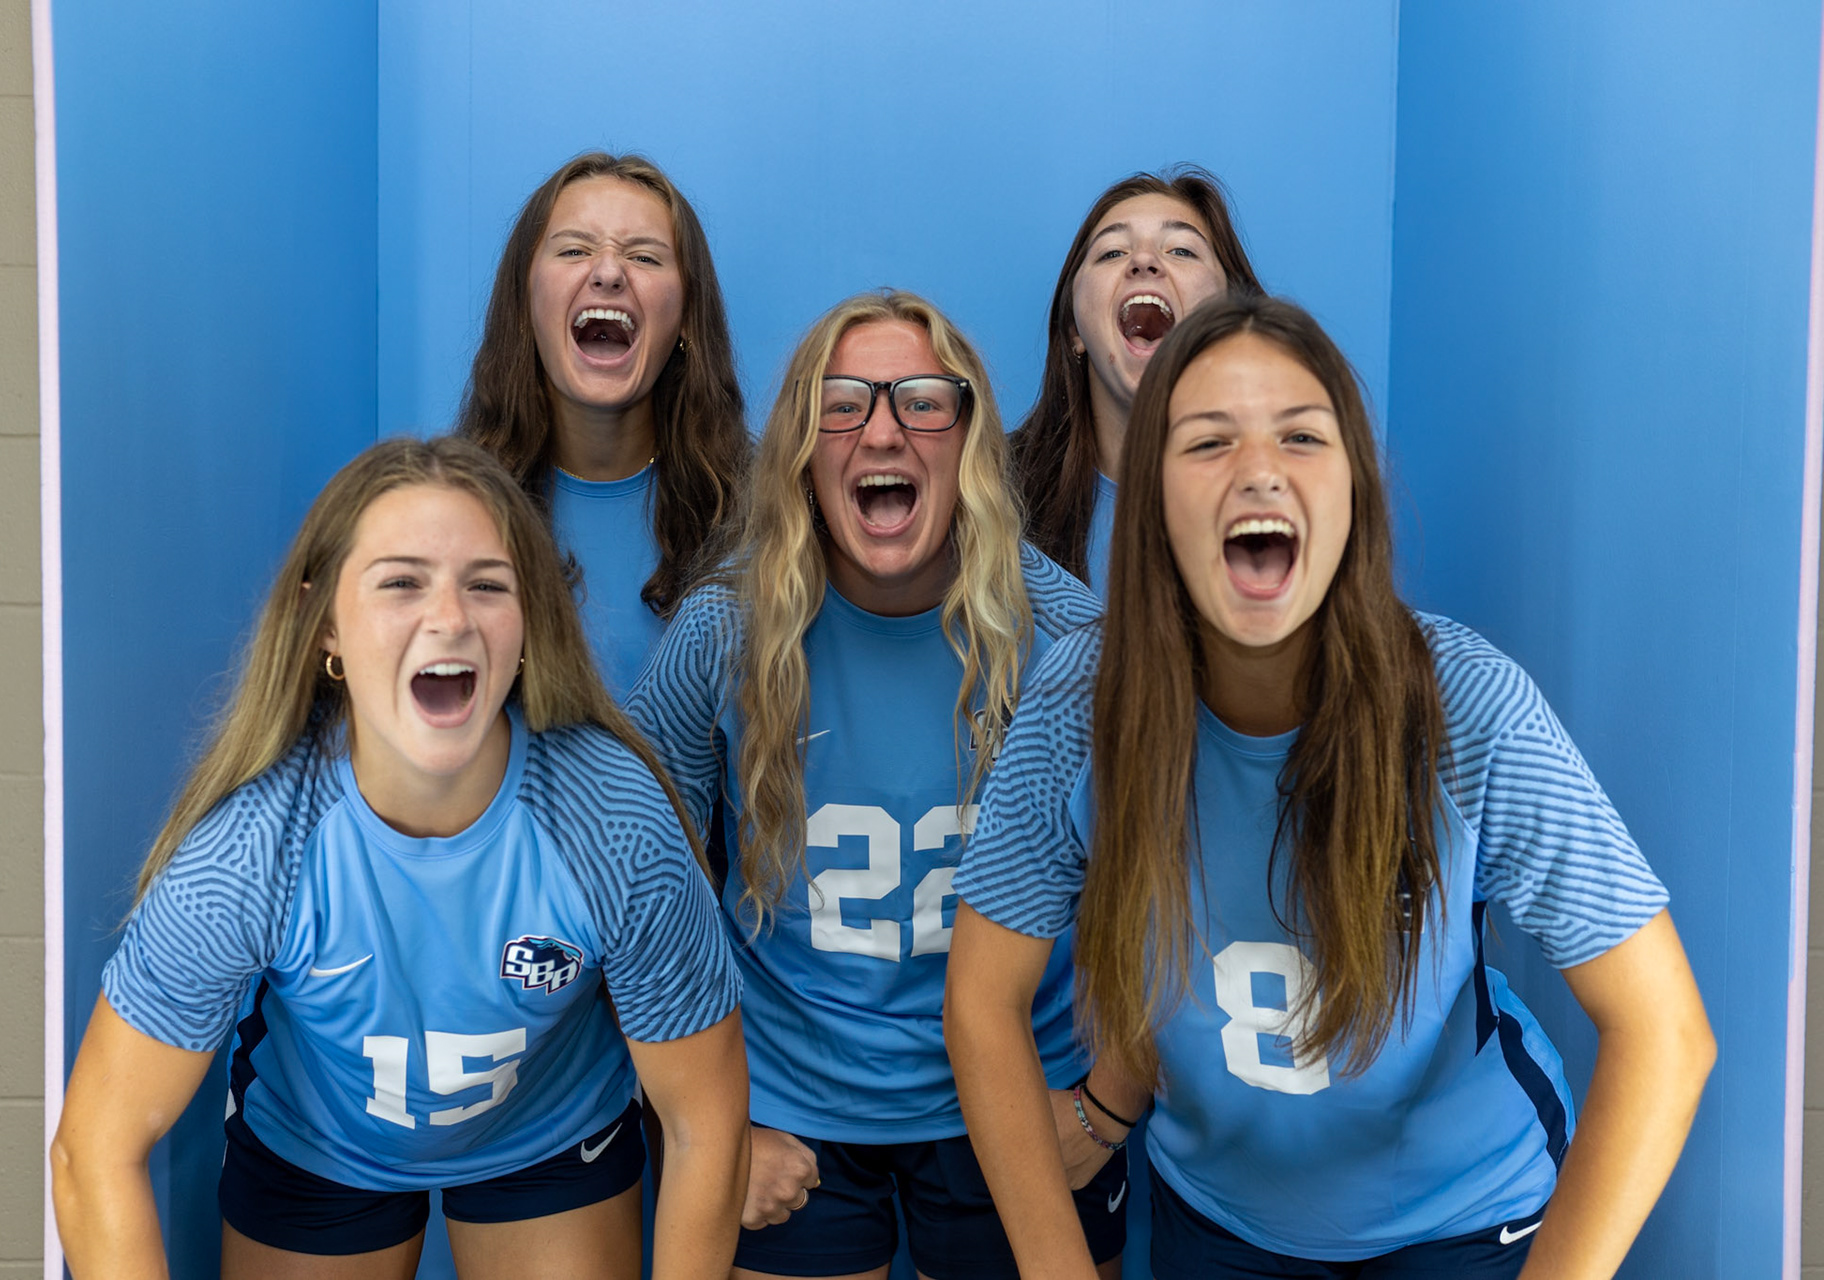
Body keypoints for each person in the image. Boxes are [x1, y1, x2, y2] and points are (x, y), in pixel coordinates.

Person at [945, 294, 1714, 1279]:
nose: (1259, 468)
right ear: (1151, 504)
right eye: (1208, 441)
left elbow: (1664, 1031)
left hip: (1463, 1221)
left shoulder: (1465, 705)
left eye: (1302, 436)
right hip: (1219, 1223)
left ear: (1355, 493)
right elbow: (982, 997)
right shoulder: (1076, 705)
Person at [51, 437, 749, 1279]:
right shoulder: (250, 852)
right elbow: (94, 1149)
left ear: (529, 622)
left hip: (548, 1127)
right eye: (401, 583)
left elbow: (705, 1125)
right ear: (325, 627)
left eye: (487, 584)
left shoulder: (613, 820)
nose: (449, 618)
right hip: (320, 1141)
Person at [625, 291, 1115, 1280]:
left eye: (923, 401)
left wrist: (1108, 1104)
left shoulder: (1067, 637)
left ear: (970, 442)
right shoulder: (723, 630)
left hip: (1018, 1094)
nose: (882, 429)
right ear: (802, 452)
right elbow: (628, 883)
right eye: (841, 403)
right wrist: (703, 1119)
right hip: (791, 1106)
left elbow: (1171, 882)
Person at [458, 151, 749, 697]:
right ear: (525, 303)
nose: (609, 272)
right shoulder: (451, 509)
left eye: (644, 256)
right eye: (574, 250)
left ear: (687, 315)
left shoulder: (763, 513)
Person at [1009, 168, 1260, 594]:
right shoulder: (990, 495)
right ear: (1074, 330)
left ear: (1233, 323)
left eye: (1181, 250)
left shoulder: (1283, 491)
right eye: (1112, 253)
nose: (1144, 261)